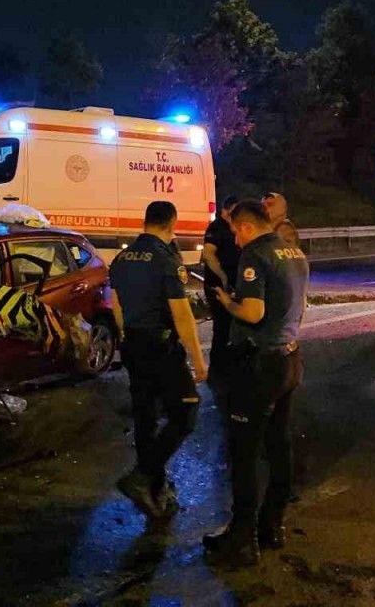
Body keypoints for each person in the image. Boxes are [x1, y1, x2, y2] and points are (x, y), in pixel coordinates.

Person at [204, 200, 309, 568]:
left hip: (260, 364)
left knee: (244, 452)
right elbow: (301, 305)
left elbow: (253, 311)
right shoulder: (294, 252)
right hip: (289, 358)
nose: (235, 238)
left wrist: (227, 303)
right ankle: (272, 525)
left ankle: (242, 539)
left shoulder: (255, 254)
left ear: (247, 227)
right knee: (279, 444)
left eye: (236, 231)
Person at [108, 200, 208, 518]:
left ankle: (156, 488)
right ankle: (143, 477)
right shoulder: (166, 260)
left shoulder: (121, 259)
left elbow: (117, 307)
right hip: (161, 349)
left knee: (146, 417)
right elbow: (182, 315)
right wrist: (198, 359)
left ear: (146, 221)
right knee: (186, 412)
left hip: (133, 345)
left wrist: (126, 337)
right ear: (172, 224)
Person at [202, 196, 242, 403]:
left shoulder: (236, 227)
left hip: (234, 285)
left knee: (233, 328)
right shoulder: (216, 227)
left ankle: (230, 371)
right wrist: (223, 277)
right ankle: (216, 374)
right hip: (217, 286)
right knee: (222, 328)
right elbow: (209, 254)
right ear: (226, 211)